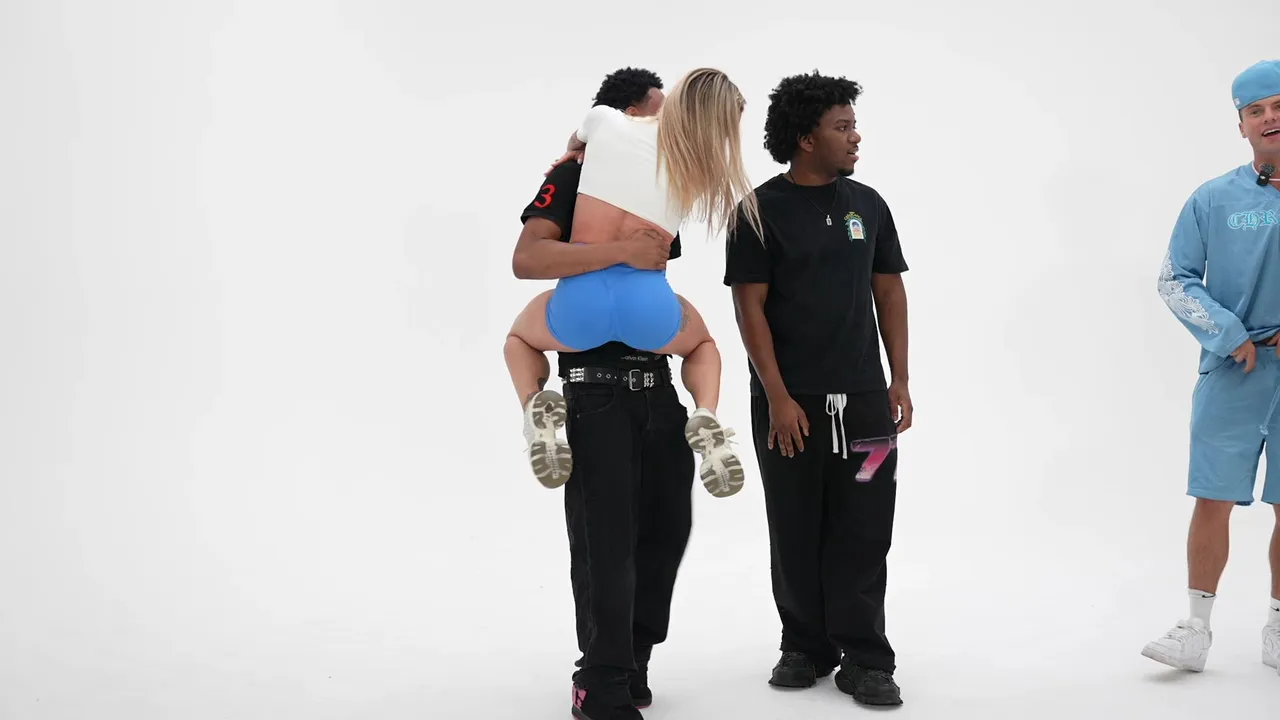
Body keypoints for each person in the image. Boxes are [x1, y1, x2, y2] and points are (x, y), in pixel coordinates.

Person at [507, 67, 695, 720]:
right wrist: (617, 249)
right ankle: (599, 681)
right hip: (596, 393)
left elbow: (648, 280)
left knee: (665, 536)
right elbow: (529, 259)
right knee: (606, 545)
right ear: (625, 115)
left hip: (659, 390)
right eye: (656, 111)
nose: (666, 124)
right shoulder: (574, 177)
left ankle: (633, 660)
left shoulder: (661, 187)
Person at [723, 70, 911, 707]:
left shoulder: (869, 206)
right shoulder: (758, 211)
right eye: (842, 127)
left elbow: (889, 291)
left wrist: (899, 379)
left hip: (866, 407)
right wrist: (776, 395)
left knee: (866, 524)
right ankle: (804, 646)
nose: (856, 137)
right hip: (789, 404)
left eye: (854, 125)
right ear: (806, 138)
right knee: (795, 523)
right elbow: (749, 308)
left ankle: (866, 657)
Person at [505, 67, 760, 502]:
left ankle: (535, 409)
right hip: (649, 310)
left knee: (520, 338)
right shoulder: (695, 173)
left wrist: (574, 149)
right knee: (702, 345)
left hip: (579, 307)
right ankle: (706, 414)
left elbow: (577, 139)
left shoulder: (605, 121)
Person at [1142, 58, 1280, 675]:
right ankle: (1195, 629)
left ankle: (1278, 625)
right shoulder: (1214, 199)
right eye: (1256, 110)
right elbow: (1175, 279)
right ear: (1241, 125)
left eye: (1279, 106)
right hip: (1234, 371)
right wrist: (1229, 335)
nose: (1269, 118)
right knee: (1213, 497)